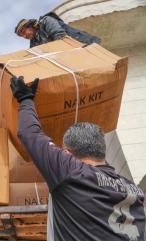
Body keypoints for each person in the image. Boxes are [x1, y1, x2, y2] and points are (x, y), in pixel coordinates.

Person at [10, 76, 145, 241]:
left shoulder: (72, 172)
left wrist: (25, 98)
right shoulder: (133, 189)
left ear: (67, 153)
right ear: (101, 150)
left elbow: (30, 134)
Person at [14, 12, 101, 47]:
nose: (24, 36)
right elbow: (35, 56)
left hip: (85, 45)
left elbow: (60, 36)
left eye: (24, 32)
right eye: (22, 36)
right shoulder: (34, 42)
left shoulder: (46, 21)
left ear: (30, 26)